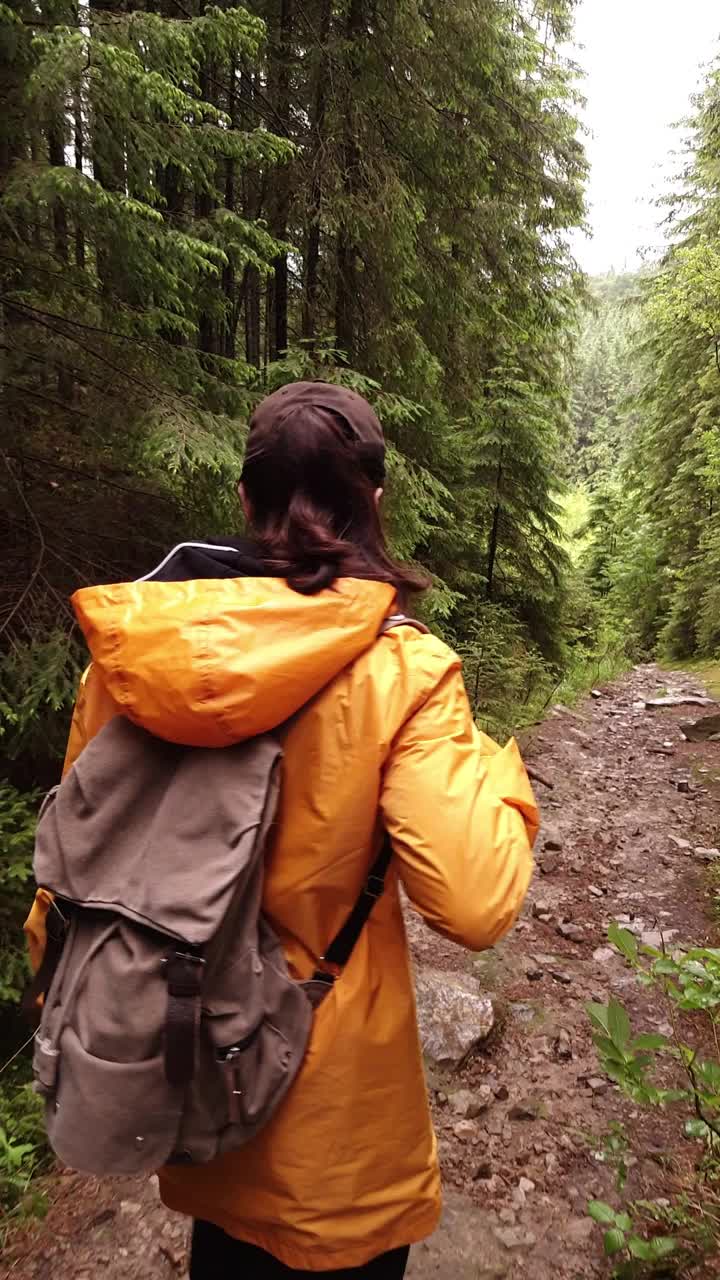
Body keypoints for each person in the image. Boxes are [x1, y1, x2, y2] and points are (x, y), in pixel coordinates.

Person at [25, 381, 538, 1278]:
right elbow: (475, 902)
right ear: (373, 503)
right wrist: (498, 769)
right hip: (337, 1138)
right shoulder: (403, 669)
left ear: (245, 500)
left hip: (191, 1081)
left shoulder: (132, 655)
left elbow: (69, 875)